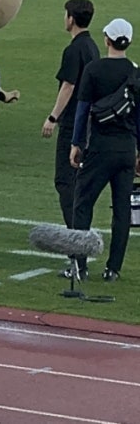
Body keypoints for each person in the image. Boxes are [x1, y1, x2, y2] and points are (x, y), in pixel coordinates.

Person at [70, 18, 140, 281]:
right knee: (122, 210)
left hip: (100, 147)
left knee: (83, 204)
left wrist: (76, 143)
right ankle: (113, 269)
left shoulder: (94, 69)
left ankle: (79, 265)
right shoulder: (135, 72)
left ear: (107, 40)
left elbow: (82, 111)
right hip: (126, 149)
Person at [40, 0, 99, 278]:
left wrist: (52, 117)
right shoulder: (92, 46)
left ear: (71, 18)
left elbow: (68, 86)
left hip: (73, 126)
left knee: (66, 185)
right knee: (77, 188)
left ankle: (77, 256)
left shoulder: (74, 49)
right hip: (88, 125)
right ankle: (80, 254)